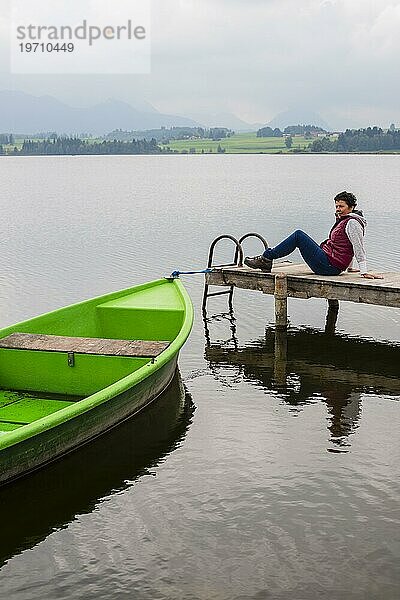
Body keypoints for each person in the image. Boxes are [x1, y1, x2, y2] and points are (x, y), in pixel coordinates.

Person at [244, 191, 383, 279]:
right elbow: (345, 245)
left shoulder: (352, 223)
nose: (338, 209)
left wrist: (363, 271)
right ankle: (266, 260)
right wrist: (350, 267)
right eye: (336, 206)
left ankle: (266, 258)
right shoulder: (346, 220)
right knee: (300, 236)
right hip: (329, 263)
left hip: (329, 267)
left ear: (351, 207)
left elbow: (358, 246)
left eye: (341, 206)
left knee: (299, 236)